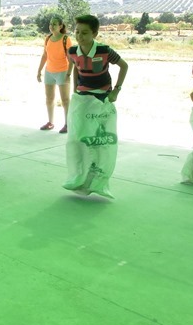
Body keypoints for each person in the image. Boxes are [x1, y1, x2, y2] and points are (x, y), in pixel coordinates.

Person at [63, 14, 128, 199]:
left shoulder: (104, 51)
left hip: (102, 100)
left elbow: (124, 66)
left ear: (95, 33)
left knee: (99, 141)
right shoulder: (73, 51)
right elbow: (76, 67)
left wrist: (116, 90)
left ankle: (98, 179)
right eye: (77, 32)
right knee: (79, 138)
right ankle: (80, 176)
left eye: (84, 33)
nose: (80, 36)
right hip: (83, 98)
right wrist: (75, 90)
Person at [36, 15, 73, 133]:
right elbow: (45, 55)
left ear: (61, 26)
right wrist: (39, 71)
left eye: (54, 24)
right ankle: (50, 122)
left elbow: (71, 58)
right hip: (49, 71)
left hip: (62, 71)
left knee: (65, 100)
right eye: (50, 24)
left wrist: (68, 73)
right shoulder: (47, 38)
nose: (51, 26)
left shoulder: (66, 39)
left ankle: (67, 124)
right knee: (49, 98)